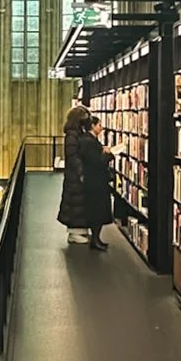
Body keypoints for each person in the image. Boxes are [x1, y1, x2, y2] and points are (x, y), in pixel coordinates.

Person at [55, 104, 93, 245]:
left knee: (79, 202)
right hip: (75, 176)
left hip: (75, 174)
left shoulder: (75, 134)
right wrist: (81, 171)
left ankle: (80, 230)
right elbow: (72, 156)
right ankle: (74, 232)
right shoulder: (72, 135)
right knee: (75, 202)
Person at [79, 117, 113, 252]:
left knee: (96, 211)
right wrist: (109, 154)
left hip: (94, 180)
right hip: (95, 181)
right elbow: (97, 162)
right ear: (92, 126)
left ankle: (96, 239)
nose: (102, 127)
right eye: (99, 125)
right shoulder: (89, 142)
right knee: (97, 211)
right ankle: (95, 240)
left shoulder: (88, 140)